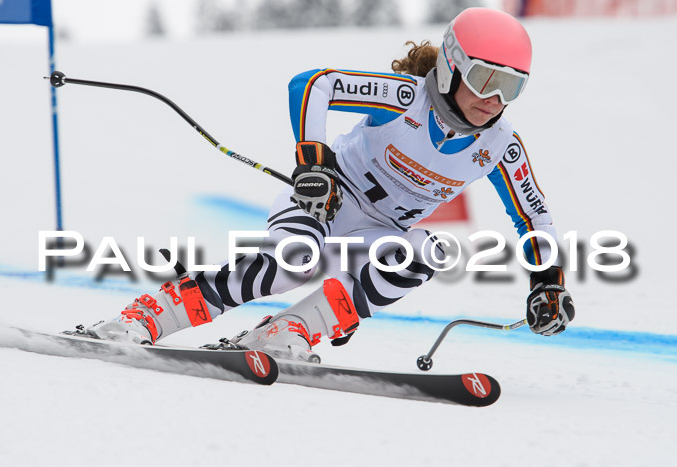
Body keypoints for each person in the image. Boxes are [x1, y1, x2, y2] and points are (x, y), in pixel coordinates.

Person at [84, 7, 575, 361]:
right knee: (294, 262)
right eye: (484, 78)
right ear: (451, 65)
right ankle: (146, 317)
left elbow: (535, 218)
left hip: (376, 233)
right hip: (327, 202)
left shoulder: (501, 146)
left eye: (510, 87)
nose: (493, 99)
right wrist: (313, 161)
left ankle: (290, 331)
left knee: (427, 253)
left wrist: (546, 284)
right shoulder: (405, 97)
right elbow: (313, 84)